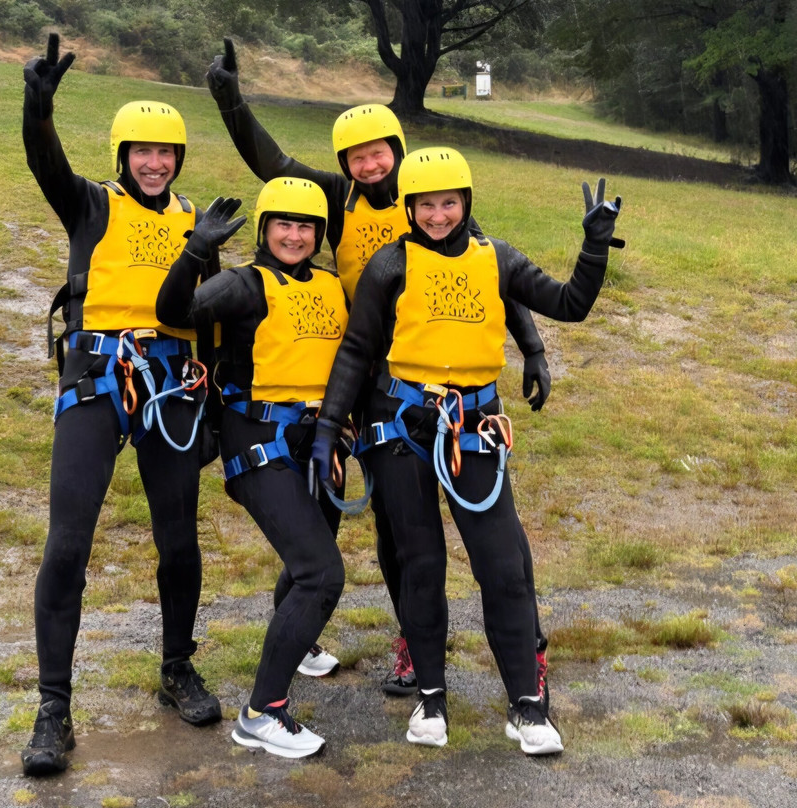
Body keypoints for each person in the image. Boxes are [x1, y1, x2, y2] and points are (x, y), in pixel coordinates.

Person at [206, 39, 553, 696]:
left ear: (397, 151)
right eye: (356, 156)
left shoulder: (431, 197)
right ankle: (388, 637)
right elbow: (273, 163)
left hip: (442, 378)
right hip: (368, 380)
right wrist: (232, 102)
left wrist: (531, 346)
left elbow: (489, 275)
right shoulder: (337, 199)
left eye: (378, 152)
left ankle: (526, 641)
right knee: (397, 525)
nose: (368, 164)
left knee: (494, 525)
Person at [311, 147, 624, 754]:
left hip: (473, 425)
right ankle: (432, 698)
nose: (437, 215)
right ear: (409, 208)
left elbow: (568, 304)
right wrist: (328, 431)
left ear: (467, 203)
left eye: (448, 203)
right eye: (424, 205)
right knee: (421, 564)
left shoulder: (497, 258)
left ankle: (527, 707)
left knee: (503, 568)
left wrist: (592, 248)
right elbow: (354, 352)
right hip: (401, 426)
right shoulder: (388, 266)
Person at [20, 34, 222, 776]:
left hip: (172, 384)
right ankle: (53, 706)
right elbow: (47, 164)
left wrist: (220, 400)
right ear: (122, 155)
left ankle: (176, 668)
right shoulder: (90, 205)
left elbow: (216, 312)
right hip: (97, 376)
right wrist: (36, 111)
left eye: (166, 153)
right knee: (68, 541)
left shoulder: (198, 220)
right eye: (142, 151)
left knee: (179, 539)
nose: (155, 163)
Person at [156, 177, 348, 759]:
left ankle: (298, 636)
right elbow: (175, 312)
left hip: (316, 441)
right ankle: (262, 712)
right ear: (265, 230)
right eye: (284, 225)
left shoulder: (333, 285)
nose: (295, 235)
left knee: (308, 556)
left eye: (306, 226)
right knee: (321, 573)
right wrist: (194, 252)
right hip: (257, 441)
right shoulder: (243, 284)